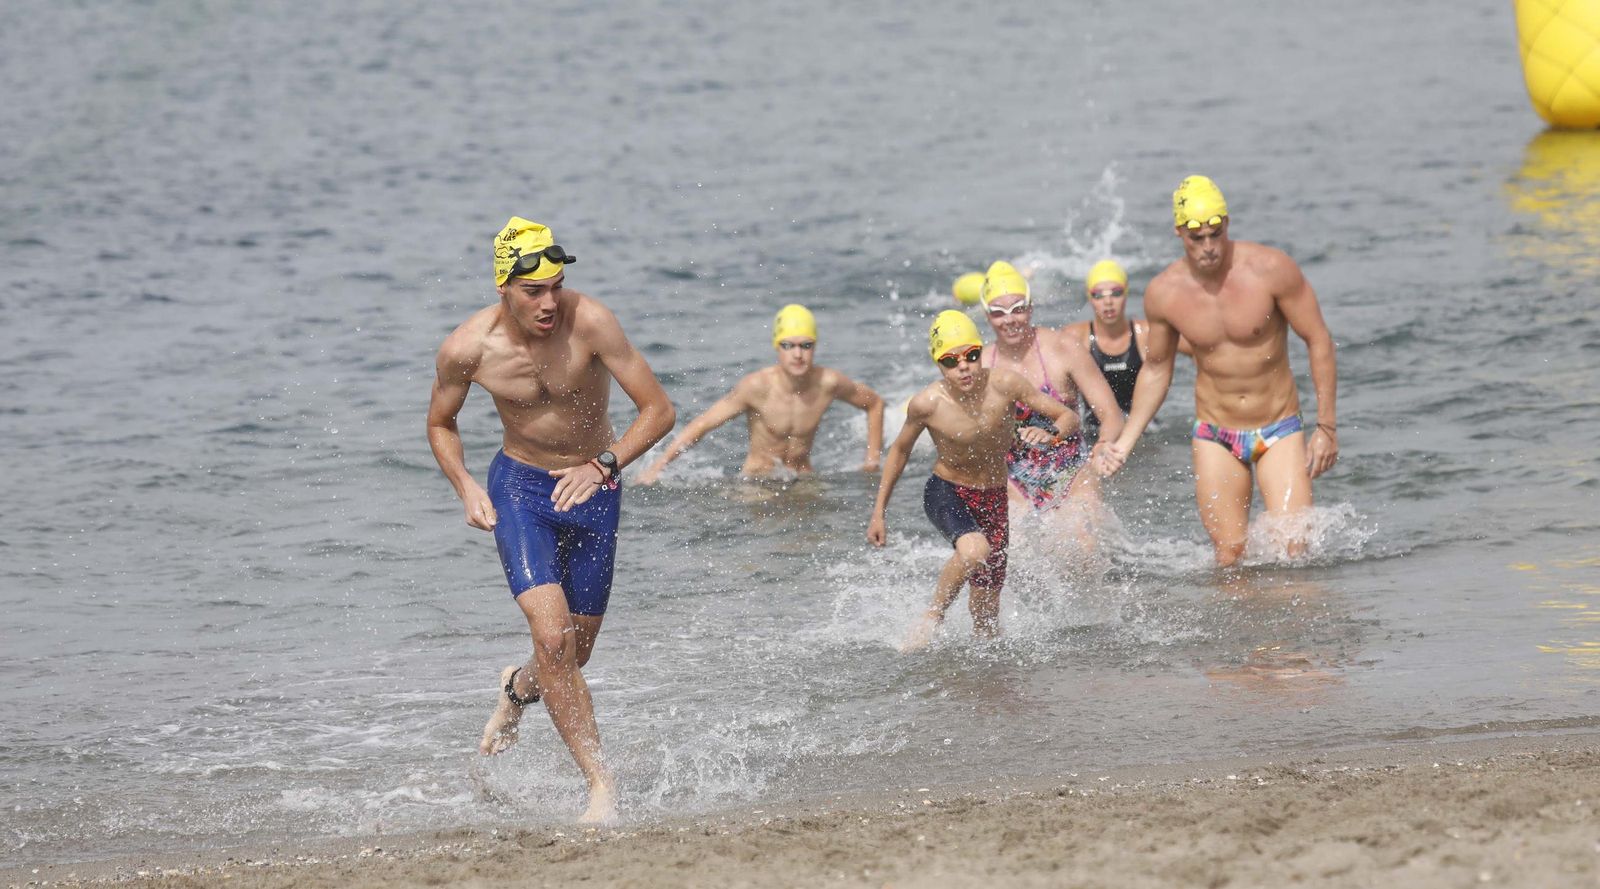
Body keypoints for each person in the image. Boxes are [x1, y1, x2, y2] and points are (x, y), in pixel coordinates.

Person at [425, 217, 676, 823]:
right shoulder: (467, 349)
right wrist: (463, 485)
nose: (549, 301)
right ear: (503, 288)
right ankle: (600, 785)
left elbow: (659, 409)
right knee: (553, 638)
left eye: (555, 286)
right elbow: (440, 423)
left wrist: (605, 464)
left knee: (573, 654)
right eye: (533, 290)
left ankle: (516, 690)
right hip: (521, 489)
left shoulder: (589, 320)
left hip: (594, 486)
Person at [1099, 176, 1339, 567]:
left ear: (1227, 223)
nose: (1209, 246)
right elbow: (1158, 368)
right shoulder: (1165, 292)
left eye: (1216, 233)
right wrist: (1125, 443)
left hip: (1278, 425)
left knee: (1294, 550)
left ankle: (1295, 631)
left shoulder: (1271, 269)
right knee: (1229, 557)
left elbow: (1319, 340)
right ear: (1179, 233)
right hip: (1215, 433)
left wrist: (1326, 427)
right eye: (1198, 238)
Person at [867, 311, 1081, 651]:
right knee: (974, 549)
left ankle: (985, 685)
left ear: (982, 351)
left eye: (971, 355)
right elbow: (899, 452)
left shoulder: (1005, 384)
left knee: (986, 615)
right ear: (938, 364)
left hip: (994, 498)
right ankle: (932, 618)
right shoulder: (927, 404)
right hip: (947, 491)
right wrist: (879, 512)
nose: (963, 366)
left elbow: (1067, 416)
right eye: (951, 360)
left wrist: (1051, 433)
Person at [636, 304, 884, 483]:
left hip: (804, 479)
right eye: (789, 345)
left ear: (815, 347)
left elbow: (874, 404)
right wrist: (659, 466)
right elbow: (703, 424)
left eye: (805, 345)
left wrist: (872, 460)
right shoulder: (757, 387)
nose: (798, 354)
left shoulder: (827, 383)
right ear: (778, 347)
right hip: (758, 482)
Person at [975, 260, 1124, 512]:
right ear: (987, 316)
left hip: (1072, 470)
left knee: (1084, 544)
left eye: (1018, 309)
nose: (1010, 319)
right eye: (999, 312)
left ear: (1031, 308)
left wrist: (1103, 445)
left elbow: (1111, 415)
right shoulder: (981, 365)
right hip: (1011, 479)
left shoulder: (1063, 349)